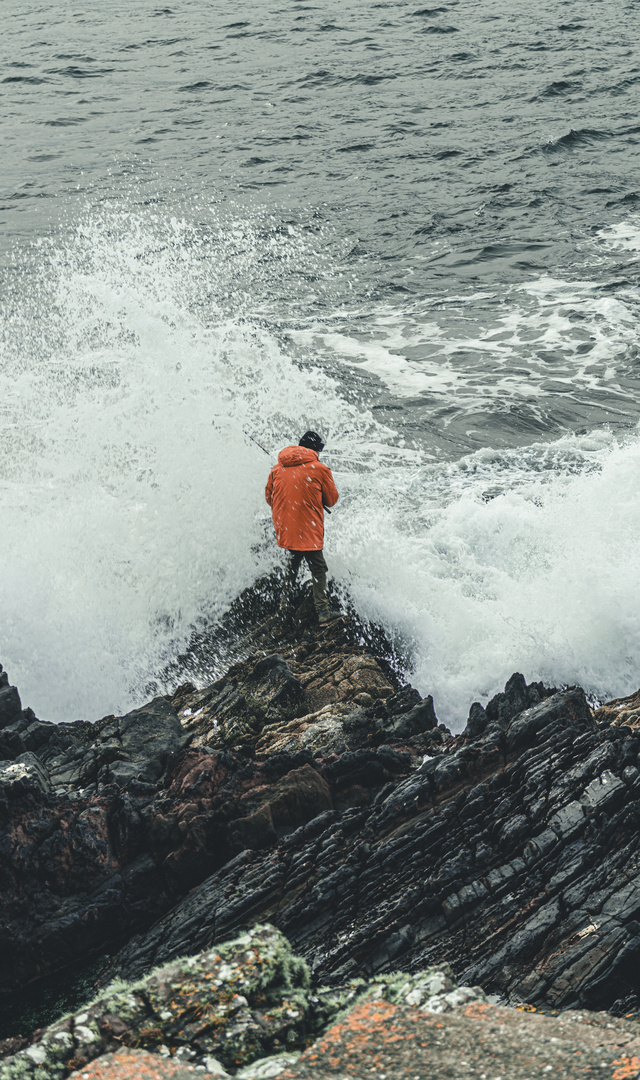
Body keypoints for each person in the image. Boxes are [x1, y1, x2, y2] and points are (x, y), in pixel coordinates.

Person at [265, 430, 339, 624]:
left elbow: (269, 497)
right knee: (318, 568)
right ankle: (323, 612)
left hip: (286, 528)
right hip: (309, 528)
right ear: (315, 450)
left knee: (292, 565)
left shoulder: (277, 468)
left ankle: (284, 607)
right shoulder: (320, 469)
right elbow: (331, 500)